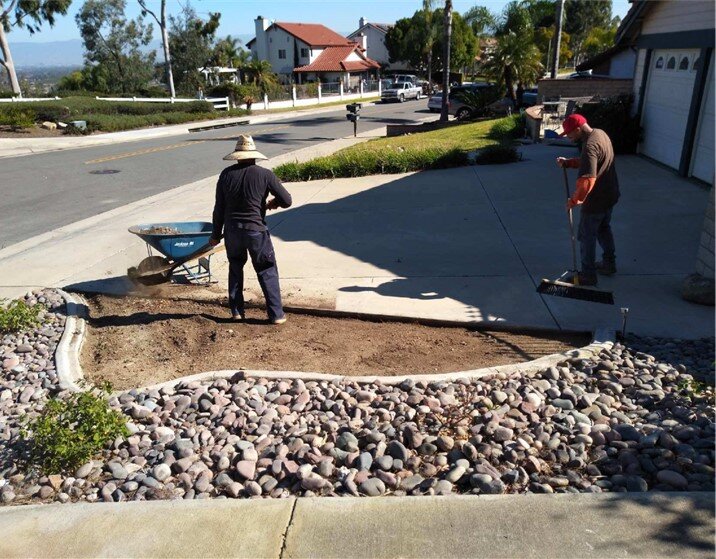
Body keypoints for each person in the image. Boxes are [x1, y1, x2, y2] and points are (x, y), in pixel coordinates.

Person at [209, 135, 292, 324]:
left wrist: (215, 235)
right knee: (266, 269)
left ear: (237, 156)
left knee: (235, 268)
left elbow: (219, 208)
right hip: (256, 231)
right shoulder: (265, 175)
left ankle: (237, 312)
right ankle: (276, 314)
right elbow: (287, 200)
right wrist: (274, 203)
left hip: (232, 232)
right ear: (254, 155)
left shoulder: (226, 175)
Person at [556, 114, 620, 286]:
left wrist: (575, 200)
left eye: (569, 134)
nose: (569, 138)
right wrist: (570, 163)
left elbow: (588, 180)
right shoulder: (600, 134)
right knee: (603, 228)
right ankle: (609, 263)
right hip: (610, 194)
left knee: (586, 235)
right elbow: (592, 162)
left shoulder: (590, 145)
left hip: (597, 199)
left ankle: (588, 274)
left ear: (578, 129)